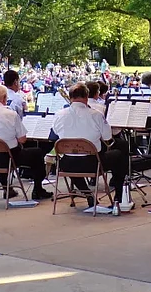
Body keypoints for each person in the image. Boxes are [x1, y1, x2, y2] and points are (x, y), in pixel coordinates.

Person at [51, 83, 129, 212]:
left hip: (67, 164)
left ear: (70, 98)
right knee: (119, 155)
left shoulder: (59, 114)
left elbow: (55, 132)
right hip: (93, 163)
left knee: (73, 162)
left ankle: (87, 193)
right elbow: (107, 136)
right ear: (87, 97)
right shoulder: (96, 114)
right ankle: (118, 197)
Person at [0, 84, 50, 200]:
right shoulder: (11, 114)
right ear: (4, 98)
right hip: (7, 159)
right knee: (36, 153)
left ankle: (6, 187)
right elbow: (23, 139)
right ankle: (38, 189)